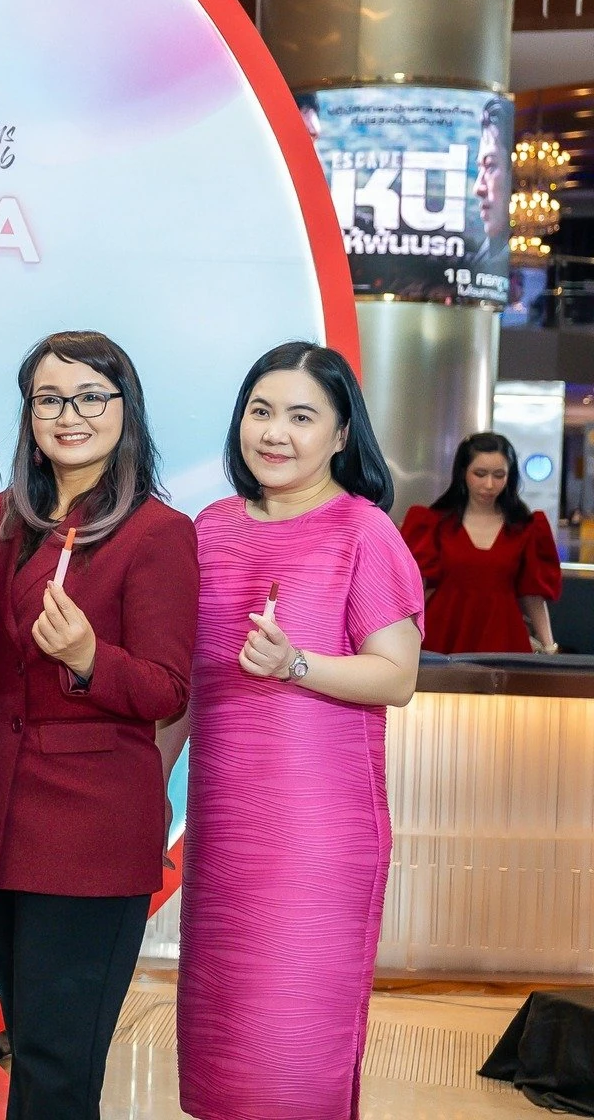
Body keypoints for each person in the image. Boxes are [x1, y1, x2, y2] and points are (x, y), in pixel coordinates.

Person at [175, 342, 424, 1120]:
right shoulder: (208, 529)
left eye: (301, 416)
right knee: (222, 1051)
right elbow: (185, 686)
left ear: (342, 434)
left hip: (317, 837)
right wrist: (147, 791)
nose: (274, 432)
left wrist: (295, 666)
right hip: (223, 828)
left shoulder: (363, 531)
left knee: (293, 1049)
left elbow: (398, 676)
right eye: (260, 411)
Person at [0, 332, 196, 1119]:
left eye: (92, 396)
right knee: (28, 1049)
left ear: (126, 411)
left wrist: (91, 658)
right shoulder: (3, 517)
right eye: (50, 400)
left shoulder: (157, 532)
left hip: (90, 831)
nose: (70, 415)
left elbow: (167, 688)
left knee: (59, 1070)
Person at [401, 432, 562, 654]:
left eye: (499, 475)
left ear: (510, 476)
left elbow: (532, 594)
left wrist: (549, 646)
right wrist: (404, 639)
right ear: (463, 473)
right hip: (445, 631)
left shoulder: (525, 527)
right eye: (480, 474)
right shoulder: (433, 523)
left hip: (503, 633)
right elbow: (416, 589)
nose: (489, 484)